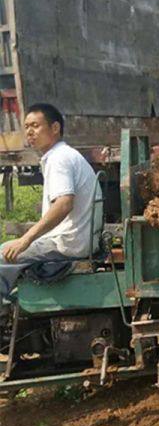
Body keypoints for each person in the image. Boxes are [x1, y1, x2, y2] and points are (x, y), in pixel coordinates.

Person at [0, 104, 98, 309]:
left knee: (2, 254)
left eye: (35, 125)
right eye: (26, 126)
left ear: (55, 128)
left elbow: (63, 204)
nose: (29, 132)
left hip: (66, 245)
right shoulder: (62, 155)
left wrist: (26, 239)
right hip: (74, 240)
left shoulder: (59, 158)